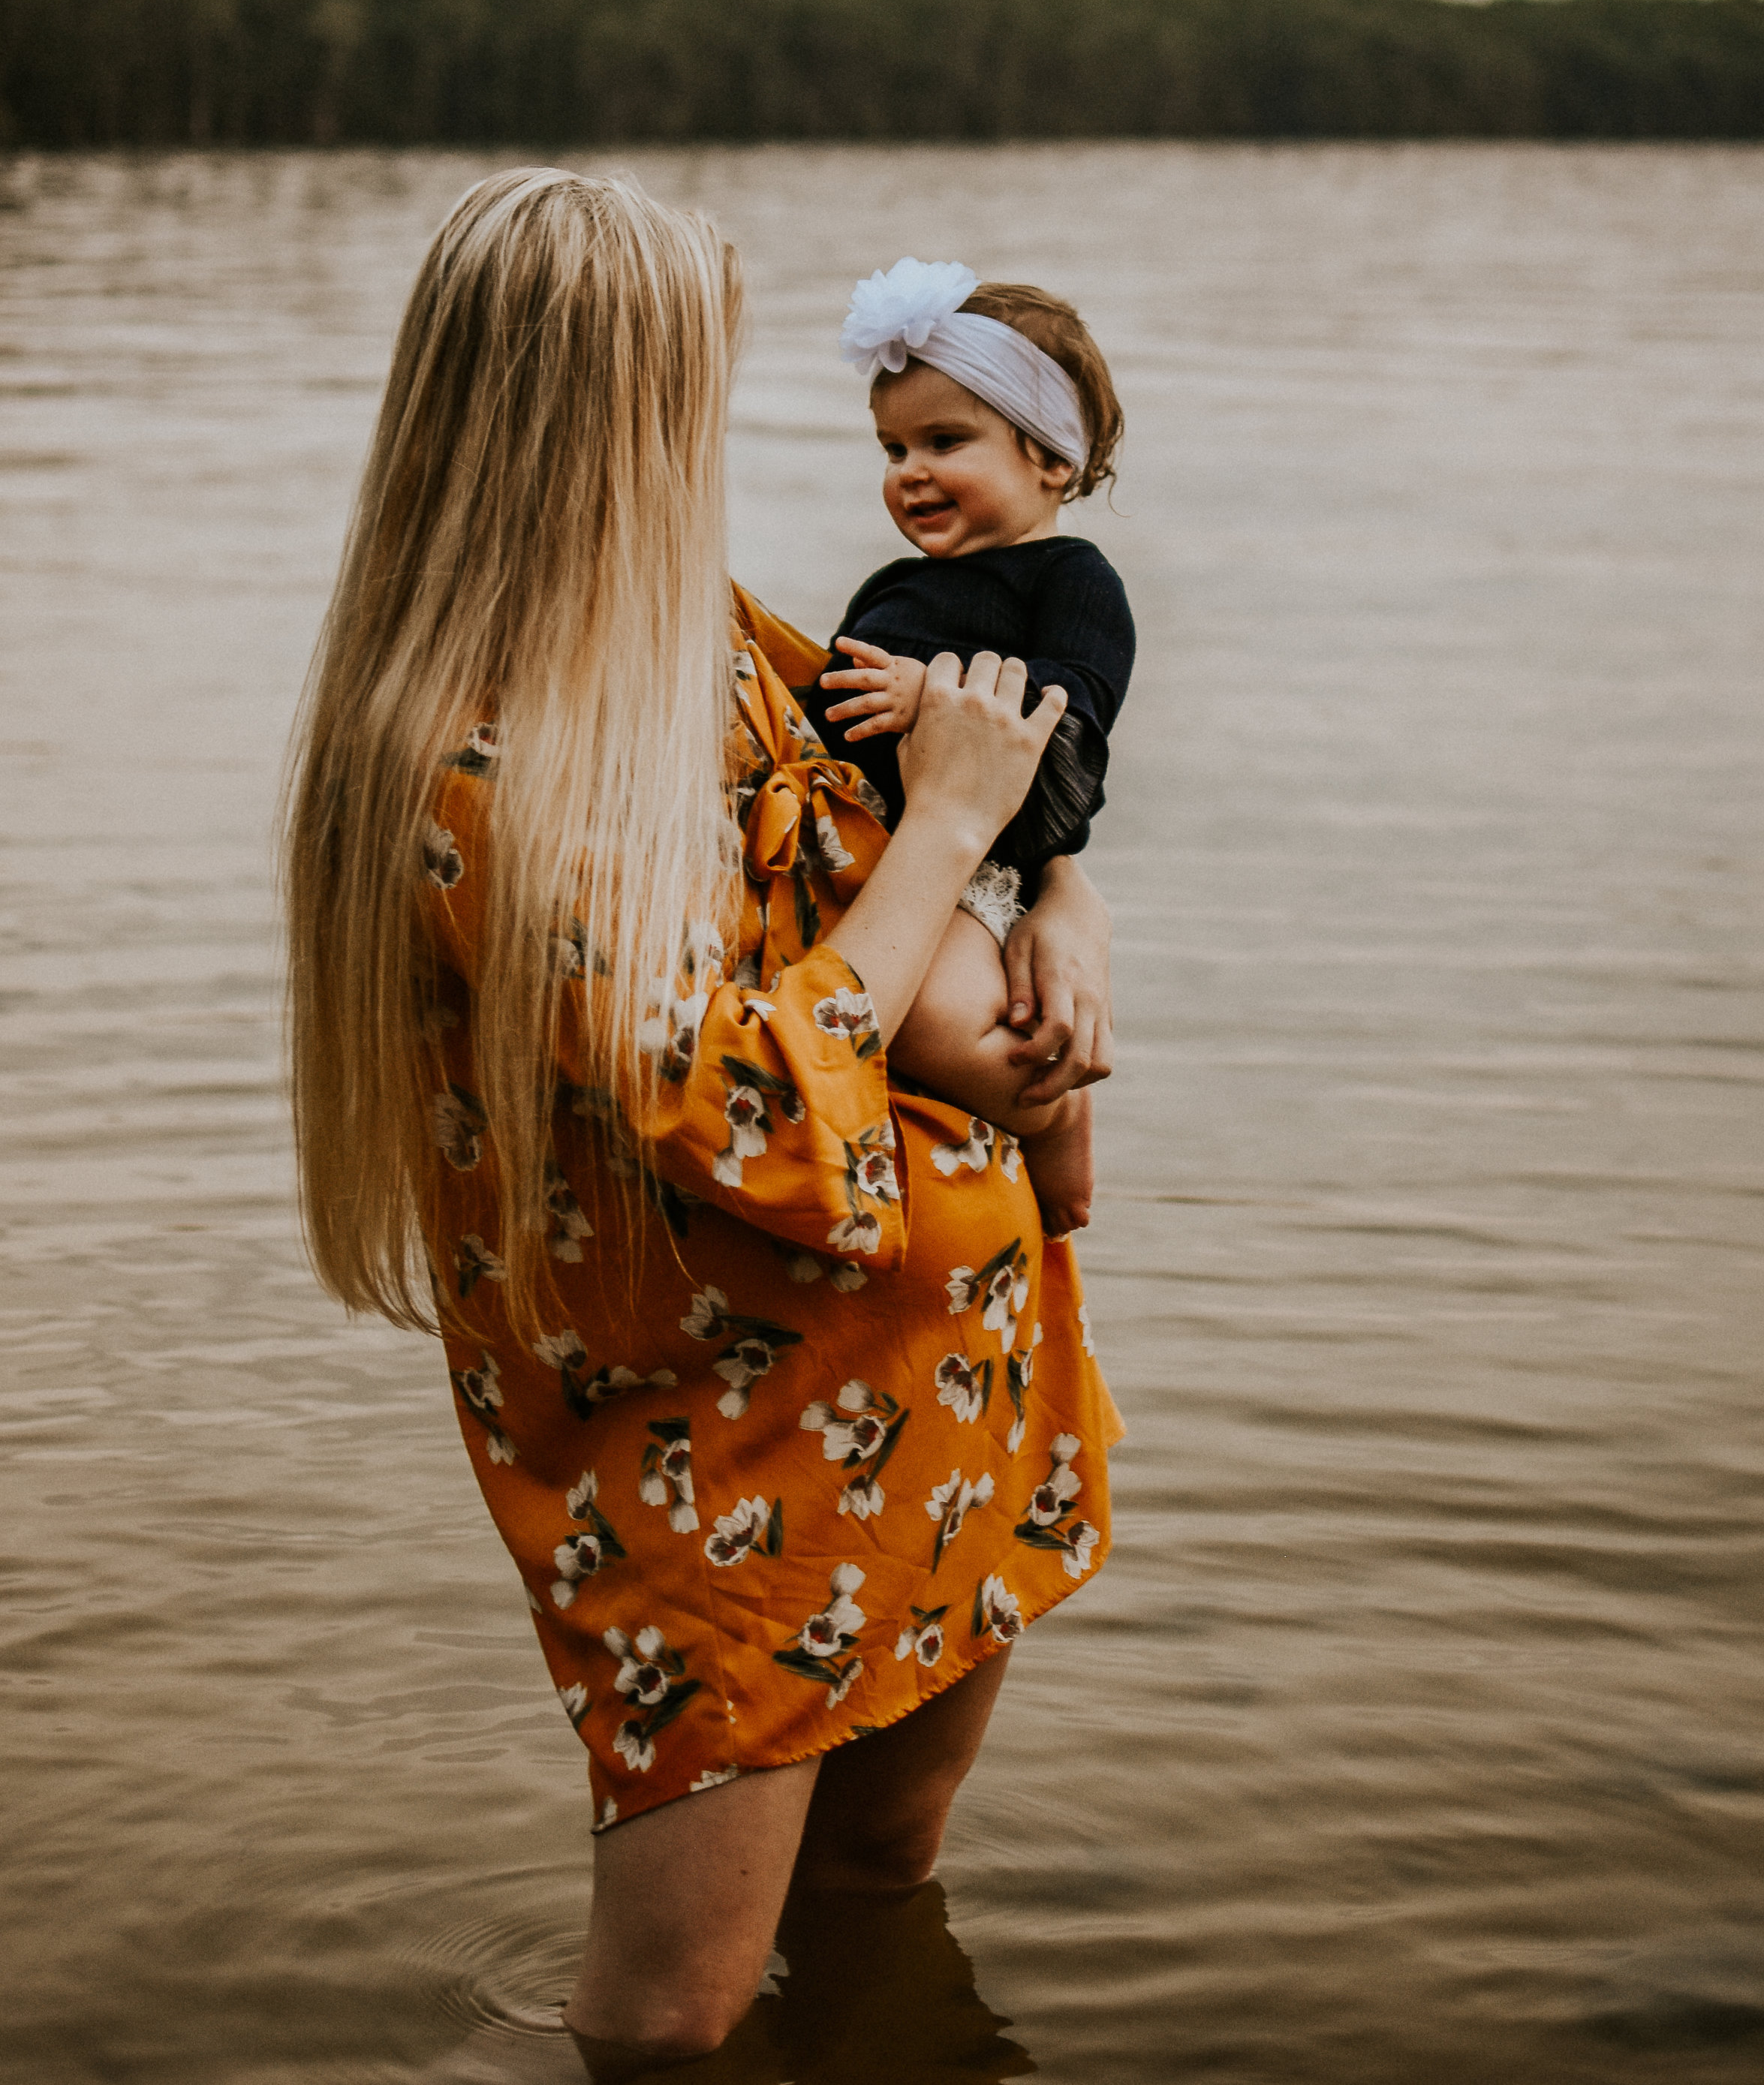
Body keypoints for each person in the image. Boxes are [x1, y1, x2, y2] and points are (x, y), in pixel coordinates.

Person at [282, 169, 1122, 2076]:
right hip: (719, 1448)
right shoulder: (473, 757)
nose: (715, 429)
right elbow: (740, 1103)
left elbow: (968, 828)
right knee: (668, 2028)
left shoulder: (728, 642)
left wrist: (1059, 896)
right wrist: (949, 834)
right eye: (696, 385)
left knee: (879, 1913)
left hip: (944, 1387)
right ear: (606, 417)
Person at [801, 260, 1134, 1244]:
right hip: (873, 848)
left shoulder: (1073, 579)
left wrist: (928, 703)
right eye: (892, 445)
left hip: (971, 875)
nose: (909, 470)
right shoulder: (893, 582)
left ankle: (1051, 1108)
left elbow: (1070, 734)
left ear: (1052, 458)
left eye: (946, 441)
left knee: (932, 1020)